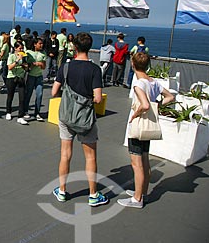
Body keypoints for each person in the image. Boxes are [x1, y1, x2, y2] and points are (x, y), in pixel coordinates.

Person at [51, 32, 109, 207]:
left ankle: (61, 191)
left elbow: (54, 92)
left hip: (67, 116)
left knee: (65, 155)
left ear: (74, 47)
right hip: (85, 118)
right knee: (90, 157)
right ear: (90, 48)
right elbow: (98, 98)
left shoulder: (66, 67)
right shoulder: (94, 69)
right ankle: (93, 195)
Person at [118, 52, 174, 208]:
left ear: (133, 65)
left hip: (138, 126)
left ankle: (137, 199)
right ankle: (142, 192)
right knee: (145, 159)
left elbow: (145, 105)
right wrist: (158, 105)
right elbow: (170, 97)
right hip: (148, 125)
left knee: (137, 164)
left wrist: (134, 115)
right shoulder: (154, 82)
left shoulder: (139, 84)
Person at [6, 42, 29, 125]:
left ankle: (20, 116)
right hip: (12, 78)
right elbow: (9, 67)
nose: (21, 50)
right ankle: (8, 112)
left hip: (21, 78)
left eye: (22, 48)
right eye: (20, 48)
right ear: (15, 48)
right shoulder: (11, 56)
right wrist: (17, 60)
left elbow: (26, 66)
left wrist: (25, 66)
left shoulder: (24, 56)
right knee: (10, 95)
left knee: (22, 97)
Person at [24, 38, 46, 122]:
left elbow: (44, 67)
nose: (41, 45)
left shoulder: (43, 53)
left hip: (39, 76)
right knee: (28, 94)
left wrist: (40, 64)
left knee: (39, 94)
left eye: (42, 44)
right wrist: (32, 64)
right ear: (34, 44)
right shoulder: (29, 53)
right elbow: (26, 66)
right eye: (40, 43)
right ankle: (25, 110)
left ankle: (37, 113)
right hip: (30, 76)